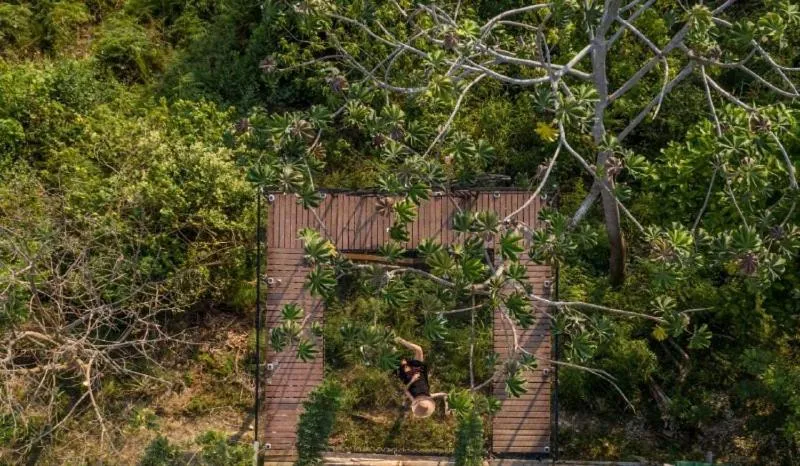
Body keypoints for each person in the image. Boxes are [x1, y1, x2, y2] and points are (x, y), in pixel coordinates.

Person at [394, 336, 448, 418]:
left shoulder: (413, 398)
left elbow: (405, 390)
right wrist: (447, 408)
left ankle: (390, 344)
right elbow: (444, 394)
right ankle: (399, 340)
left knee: (400, 358)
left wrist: (413, 380)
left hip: (409, 375)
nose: (423, 398)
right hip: (419, 371)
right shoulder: (429, 395)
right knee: (419, 349)